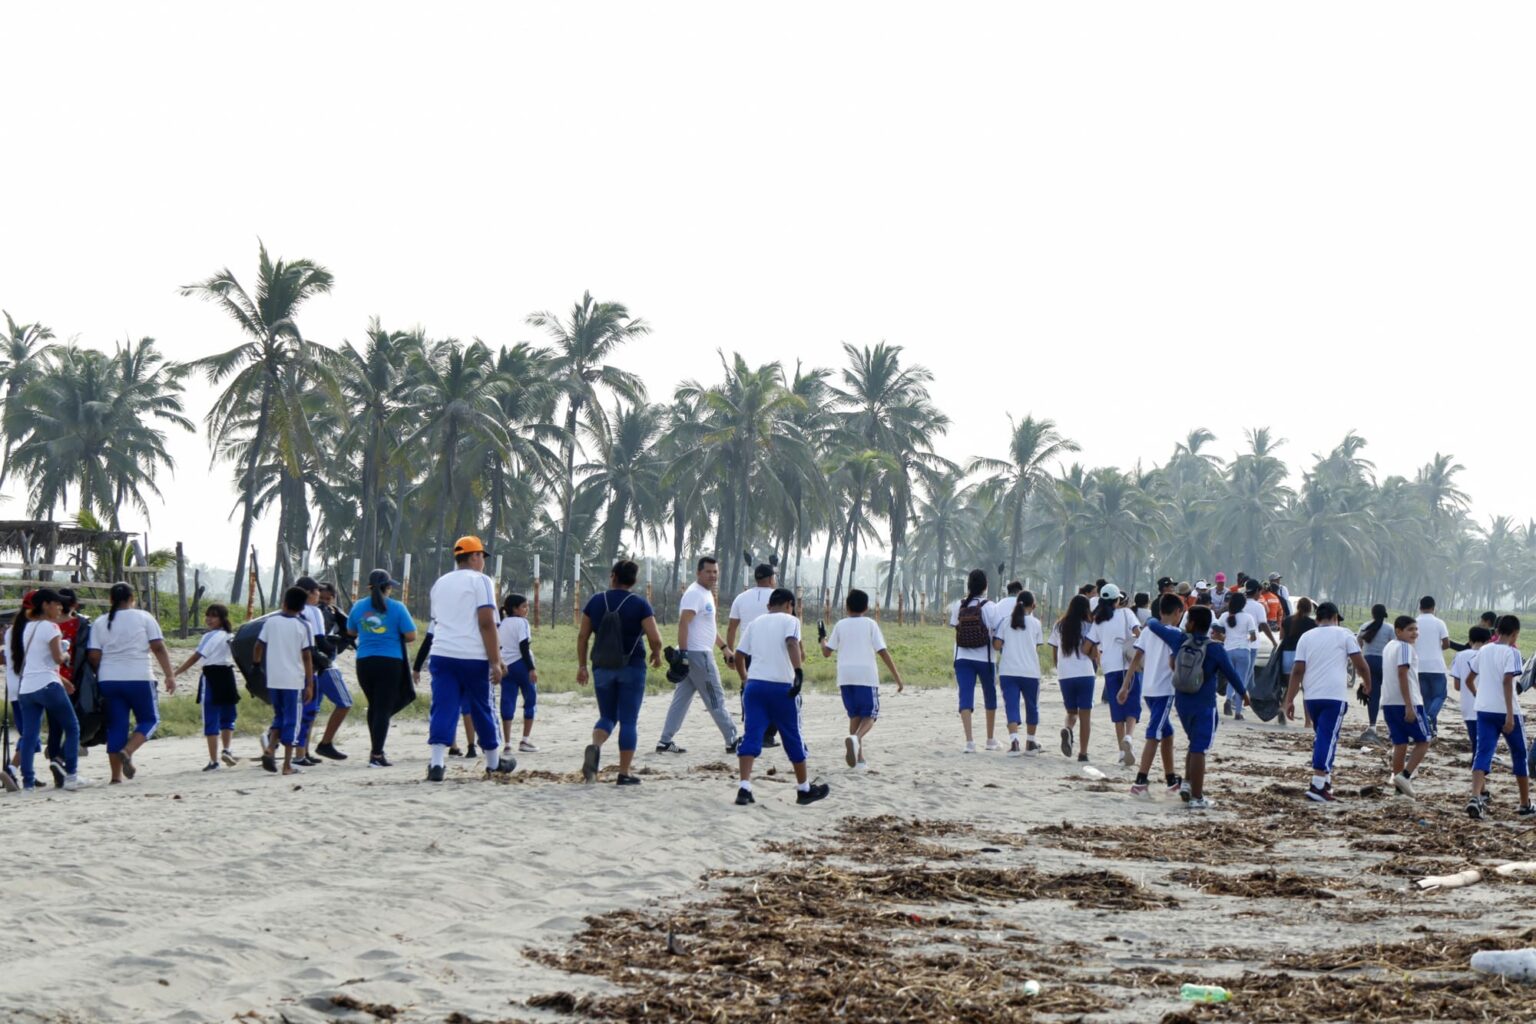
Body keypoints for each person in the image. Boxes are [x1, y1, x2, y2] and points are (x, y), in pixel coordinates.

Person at [424, 536, 511, 781]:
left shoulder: (440, 583)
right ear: (474, 556)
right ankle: (494, 763)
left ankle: (437, 763)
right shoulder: (481, 581)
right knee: (482, 706)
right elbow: (486, 622)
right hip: (473, 655)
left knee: (443, 705)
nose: (483, 561)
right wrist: (495, 660)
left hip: (441, 653)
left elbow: (437, 619)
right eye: (482, 556)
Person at [1142, 605, 1244, 809]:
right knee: (1199, 749)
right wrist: (1244, 694)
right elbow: (1231, 673)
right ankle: (1197, 797)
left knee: (1193, 743)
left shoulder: (1179, 640)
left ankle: (1187, 785)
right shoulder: (1215, 648)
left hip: (1182, 702)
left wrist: (1156, 618)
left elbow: (1152, 624)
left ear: (1192, 623)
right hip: (1205, 704)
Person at [733, 587, 829, 806]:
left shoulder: (755, 624)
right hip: (782, 688)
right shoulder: (791, 620)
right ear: (789, 605)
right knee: (792, 735)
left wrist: (745, 678)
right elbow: (792, 643)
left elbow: (739, 656)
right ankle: (804, 789)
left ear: (769, 606)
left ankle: (744, 787)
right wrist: (798, 672)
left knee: (752, 735)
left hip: (755, 687)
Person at [577, 559, 662, 786]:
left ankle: (595, 747)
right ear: (633, 580)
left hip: (602, 667)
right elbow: (655, 638)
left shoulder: (596, 601)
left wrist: (582, 666)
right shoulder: (640, 604)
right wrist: (656, 654)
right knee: (628, 721)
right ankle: (624, 773)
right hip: (632, 667)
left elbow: (583, 636)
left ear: (613, 576)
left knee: (607, 716)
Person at [87, 582, 176, 785]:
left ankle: (116, 777)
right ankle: (127, 751)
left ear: (110, 600)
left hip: (109, 680)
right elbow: (158, 647)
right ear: (132, 599)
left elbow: (93, 655)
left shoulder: (101, 622)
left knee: (116, 726)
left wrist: (103, 671)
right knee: (149, 720)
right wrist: (170, 675)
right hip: (139, 677)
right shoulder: (144, 617)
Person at [1282, 601, 1372, 802]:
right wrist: (1368, 684)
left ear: (1317, 619)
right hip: (1334, 696)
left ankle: (1326, 780)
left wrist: (1289, 700)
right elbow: (1361, 665)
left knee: (1325, 736)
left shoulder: (1307, 637)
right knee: (1326, 738)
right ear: (1335, 618)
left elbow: (1297, 671)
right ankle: (1317, 784)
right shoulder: (1345, 634)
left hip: (1311, 697)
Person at [656, 557, 738, 754]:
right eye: (708, 572)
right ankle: (732, 738)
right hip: (697, 655)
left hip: (698, 652)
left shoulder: (705, 594)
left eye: (715, 572)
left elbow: (707, 627)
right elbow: (683, 623)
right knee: (715, 697)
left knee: (681, 699)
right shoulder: (695, 593)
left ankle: (665, 741)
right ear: (699, 573)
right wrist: (683, 654)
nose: (713, 576)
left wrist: (724, 648)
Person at [8, 589, 86, 791]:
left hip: (27, 688)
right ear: (45, 605)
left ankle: (28, 782)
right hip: (48, 684)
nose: (60, 607)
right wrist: (66, 654)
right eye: (57, 603)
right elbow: (57, 659)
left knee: (30, 735)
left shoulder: (28, 627)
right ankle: (71, 775)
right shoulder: (51, 627)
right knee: (72, 727)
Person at [819, 588, 903, 769]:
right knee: (871, 715)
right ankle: (856, 739)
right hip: (866, 676)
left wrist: (822, 640)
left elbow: (826, 652)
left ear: (847, 606)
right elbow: (882, 651)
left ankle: (859, 759)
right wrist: (897, 677)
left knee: (855, 716)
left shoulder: (840, 625)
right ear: (866, 607)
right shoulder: (870, 624)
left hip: (845, 676)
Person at [346, 569, 418, 767]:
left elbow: (351, 631)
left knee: (375, 705)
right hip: (390, 662)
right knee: (383, 708)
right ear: (387, 587)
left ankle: (375, 750)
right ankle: (376, 755)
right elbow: (411, 635)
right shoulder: (397, 607)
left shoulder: (358, 606)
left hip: (365, 662)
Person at [1467, 615, 1533, 819]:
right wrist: (1510, 715)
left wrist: (1481, 697)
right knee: (1520, 754)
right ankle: (1524, 803)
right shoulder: (1512, 653)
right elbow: (1507, 682)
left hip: (1484, 710)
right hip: (1506, 710)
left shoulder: (1484, 649)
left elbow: (1469, 679)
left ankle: (1475, 797)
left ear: (1496, 631)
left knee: (1483, 753)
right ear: (1515, 634)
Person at [1125, 593, 1187, 799]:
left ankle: (1171, 780)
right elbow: (1172, 663)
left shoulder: (1148, 630)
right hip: (1164, 690)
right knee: (1155, 733)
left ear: (1160, 610)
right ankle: (1140, 781)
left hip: (1149, 689)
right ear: (1178, 612)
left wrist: (1125, 685)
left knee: (1167, 733)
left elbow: (1136, 660)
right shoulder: (1176, 634)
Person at [253, 586, 315, 776]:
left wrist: (256, 666)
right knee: (292, 721)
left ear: (284, 602)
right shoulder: (304, 626)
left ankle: (270, 749)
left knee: (278, 716)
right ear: (302, 607)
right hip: (293, 680)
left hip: (274, 678)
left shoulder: (271, 622)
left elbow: (258, 646)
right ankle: (287, 765)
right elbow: (307, 657)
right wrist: (310, 683)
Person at [292, 576, 353, 764]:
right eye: (318, 593)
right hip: (319, 666)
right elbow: (319, 641)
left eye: (327, 598)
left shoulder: (294, 612)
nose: (322, 600)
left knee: (308, 710)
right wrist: (334, 647)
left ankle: (301, 752)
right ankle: (314, 748)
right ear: (310, 593)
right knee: (340, 703)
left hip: (299, 666)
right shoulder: (314, 612)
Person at [172, 604, 240, 771]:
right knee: (228, 715)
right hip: (228, 676)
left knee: (211, 717)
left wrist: (175, 673)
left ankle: (214, 760)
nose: (209, 619)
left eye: (213, 616)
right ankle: (227, 749)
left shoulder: (210, 636)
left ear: (221, 619)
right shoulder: (230, 636)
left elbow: (196, 657)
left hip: (212, 677)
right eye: (208, 615)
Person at [727, 563, 780, 748]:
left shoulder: (741, 598)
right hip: (772, 653)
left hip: (747, 652)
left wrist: (730, 653)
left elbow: (732, 627)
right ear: (771, 578)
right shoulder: (778, 598)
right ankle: (768, 734)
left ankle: (752, 729)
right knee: (774, 690)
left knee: (749, 690)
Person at [1379, 615, 1429, 798]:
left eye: (1416, 629)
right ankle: (1405, 776)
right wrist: (1409, 705)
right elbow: (1402, 674)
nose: (1414, 633)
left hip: (1389, 702)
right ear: (1398, 631)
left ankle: (1399, 789)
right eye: (1410, 630)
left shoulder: (1389, 647)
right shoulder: (1405, 648)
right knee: (1424, 740)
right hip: (1408, 702)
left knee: (1400, 744)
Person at [1092, 584, 1141, 765]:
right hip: (1130, 665)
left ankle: (1121, 752)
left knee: (1117, 708)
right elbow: (1138, 633)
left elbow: (1089, 644)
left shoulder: (1097, 620)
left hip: (1110, 667)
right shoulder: (1127, 614)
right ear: (1117, 599)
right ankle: (1129, 737)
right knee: (1132, 705)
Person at [992, 586, 1044, 755]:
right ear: (1033, 606)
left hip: (1008, 670)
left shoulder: (1006, 622)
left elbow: (997, 644)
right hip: (1030, 671)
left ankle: (1014, 741)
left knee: (1011, 706)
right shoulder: (1036, 624)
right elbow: (1036, 646)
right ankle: (1030, 742)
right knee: (1032, 706)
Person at [951, 568, 998, 753]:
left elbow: (955, 627)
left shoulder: (959, 605)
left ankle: (969, 741)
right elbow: (994, 630)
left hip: (962, 657)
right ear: (985, 586)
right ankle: (990, 739)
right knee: (989, 695)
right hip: (985, 658)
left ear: (968, 585)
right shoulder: (989, 606)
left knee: (965, 696)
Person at [1048, 594, 1099, 762]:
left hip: (1065, 674)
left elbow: (1055, 653)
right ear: (1086, 609)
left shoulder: (1058, 626)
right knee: (1085, 715)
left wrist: (1060, 667)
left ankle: (1068, 729)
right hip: (1085, 673)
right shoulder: (1090, 627)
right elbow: (1093, 654)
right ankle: (1083, 753)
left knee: (1071, 711)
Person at [497, 593, 539, 756]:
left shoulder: (502, 623)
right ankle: (525, 739)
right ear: (514, 608)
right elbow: (523, 647)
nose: (527, 609)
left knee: (507, 701)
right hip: (521, 664)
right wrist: (531, 668)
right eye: (524, 606)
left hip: (505, 666)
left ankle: (507, 743)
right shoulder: (522, 623)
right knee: (530, 699)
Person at [1211, 592, 1258, 721]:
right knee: (1241, 681)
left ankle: (1227, 699)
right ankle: (1238, 712)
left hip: (1227, 651)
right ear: (1243, 604)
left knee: (1231, 678)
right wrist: (1248, 639)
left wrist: (1224, 636)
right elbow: (1253, 636)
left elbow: (1217, 629)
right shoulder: (1248, 617)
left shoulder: (1225, 616)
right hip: (1243, 650)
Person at [1451, 626, 1489, 773]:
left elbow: (1457, 686)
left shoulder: (1460, 655)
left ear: (1469, 640)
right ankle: (1479, 768)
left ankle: (1477, 767)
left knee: (1475, 740)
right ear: (1488, 641)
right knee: (1483, 741)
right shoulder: (1488, 655)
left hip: (1467, 704)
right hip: (1487, 705)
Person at [1414, 596, 1452, 738]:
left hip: (1419, 665)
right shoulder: (1439, 622)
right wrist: (1436, 648)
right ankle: (1429, 718)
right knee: (1440, 695)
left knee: (1427, 698)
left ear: (1420, 607)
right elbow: (1446, 643)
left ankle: (1432, 730)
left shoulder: (1414, 622)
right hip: (1436, 665)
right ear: (1434, 607)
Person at [1355, 605, 1392, 744]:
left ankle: (1372, 725)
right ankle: (1391, 726)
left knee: (1374, 695)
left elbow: (1358, 640)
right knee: (1388, 694)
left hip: (1368, 661)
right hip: (1384, 662)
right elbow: (1394, 644)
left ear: (1372, 613)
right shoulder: (1389, 628)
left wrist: (1362, 650)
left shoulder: (1365, 626)